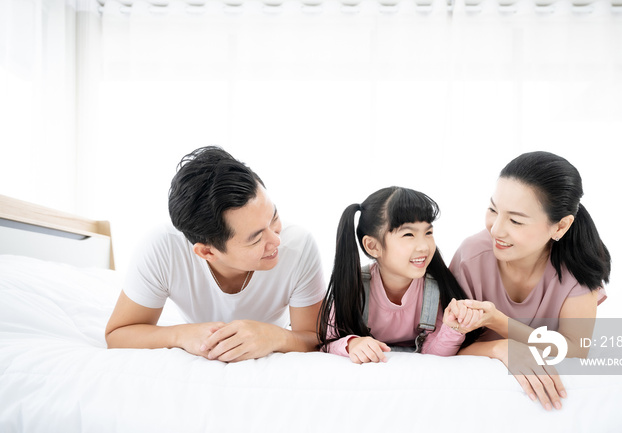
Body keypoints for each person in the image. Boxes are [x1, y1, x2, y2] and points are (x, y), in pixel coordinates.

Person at [105, 146, 326, 362]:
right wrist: (181, 334)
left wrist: (274, 336)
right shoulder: (163, 249)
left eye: (274, 217)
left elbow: (315, 338)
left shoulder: (298, 246)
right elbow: (118, 334)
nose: (276, 240)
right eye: (257, 238)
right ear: (207, 251)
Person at [449, 151, 610, 411]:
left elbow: (576, 350)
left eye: (515, 220)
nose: (496, 229)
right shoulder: (471, 257)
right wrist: (502, 347)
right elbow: (443, 344)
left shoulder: (579, 267)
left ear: (560, 227)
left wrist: (497, 321)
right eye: (493, 209)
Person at [318, 186, 482, 364]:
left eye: (428, 233)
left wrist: (452, 329)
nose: (424, 247)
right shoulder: (353, 287)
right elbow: (326, 344)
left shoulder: (436, 289)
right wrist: (351, 343)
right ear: (373, 246)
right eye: (409, 234)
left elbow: (433, 356)